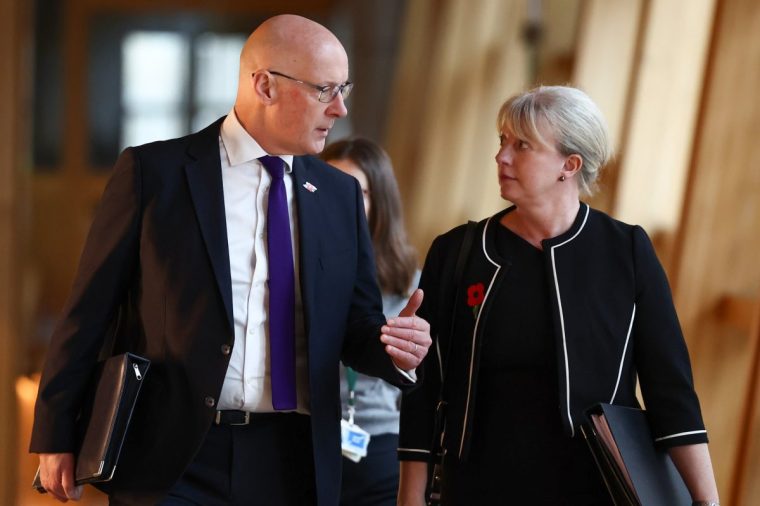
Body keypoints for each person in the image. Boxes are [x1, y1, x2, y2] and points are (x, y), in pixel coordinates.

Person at [30, 14, 432, 506]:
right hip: (173, 457)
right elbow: (88, 311)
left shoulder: (339, 194)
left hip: (296, 459)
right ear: (264, 86)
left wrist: (393, 346)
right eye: (325, 90)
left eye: (343, 89)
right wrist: (55, 433)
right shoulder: (153, 173)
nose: (341, 109)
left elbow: (356, 323)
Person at [397, 85, 720, 505]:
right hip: (477, 486)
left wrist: (707, 501)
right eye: (502, 141)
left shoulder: (626, 251)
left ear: (569, 165)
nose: (502, 157)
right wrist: (410, 496)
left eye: (523, 145)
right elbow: (425, 387)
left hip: (595, 488)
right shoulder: (458, 252)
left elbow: (670, 390)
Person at [320, 138, 420, 506]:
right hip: (306, 438)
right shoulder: (295, 270)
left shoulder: (410, 284)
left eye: (355, 192)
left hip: (377, 444)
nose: (338, 203)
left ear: (379, 201)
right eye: (327, 188)